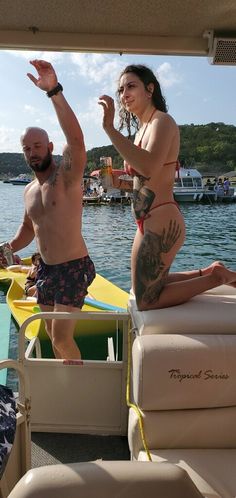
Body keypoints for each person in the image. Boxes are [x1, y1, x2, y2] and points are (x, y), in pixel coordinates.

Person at [98, 64, 236, 311]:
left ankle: (216, 279)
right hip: (149, 220)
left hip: (162, 220)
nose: (123, 94)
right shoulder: (142, 129)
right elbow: (144, 181)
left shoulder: (163, 122)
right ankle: (211, 270)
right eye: (120, 89)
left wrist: (109, 129)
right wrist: (115, 181)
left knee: (145, 300)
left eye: (131, 86)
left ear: (149, 89)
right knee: (147, 286)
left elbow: (149, 167)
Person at [7, 59, 95, 358]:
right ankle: (66, 381)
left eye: (37, 146)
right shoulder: (29, 192)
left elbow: (77, 140)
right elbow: (27, 230)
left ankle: (78, 392)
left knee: (60, 335)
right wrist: (5, 247)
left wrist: (54, 91)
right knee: (49, 333)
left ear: (50, 147)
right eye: (27, 148)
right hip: (45, 268)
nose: (32, 152)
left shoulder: (66, 178)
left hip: (74, 266)